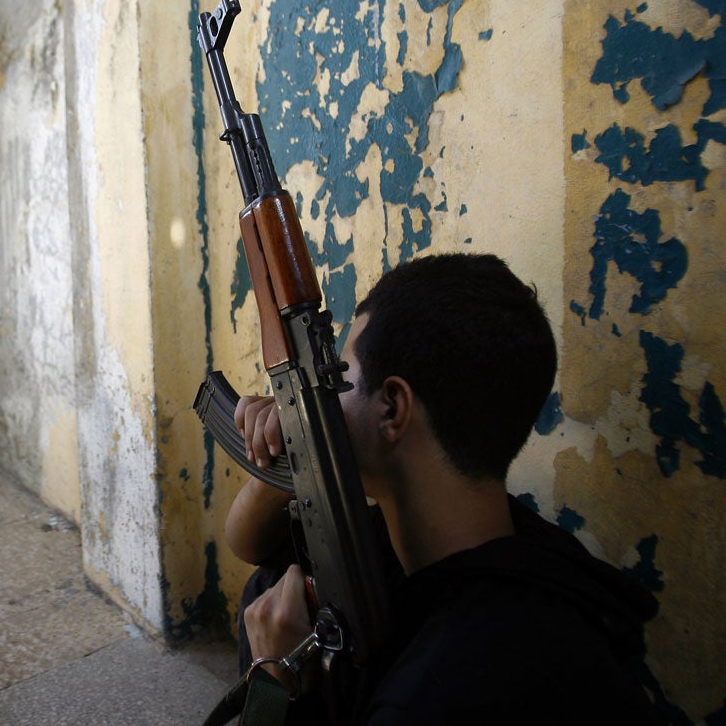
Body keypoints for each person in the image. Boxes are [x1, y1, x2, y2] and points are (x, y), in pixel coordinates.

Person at [227, 253, 663, 724]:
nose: (324, 397)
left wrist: (276, 682)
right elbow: (250, 547)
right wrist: (294, 444)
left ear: (393, 407)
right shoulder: (498, 548)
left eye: (338, 376)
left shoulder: (440, 692)